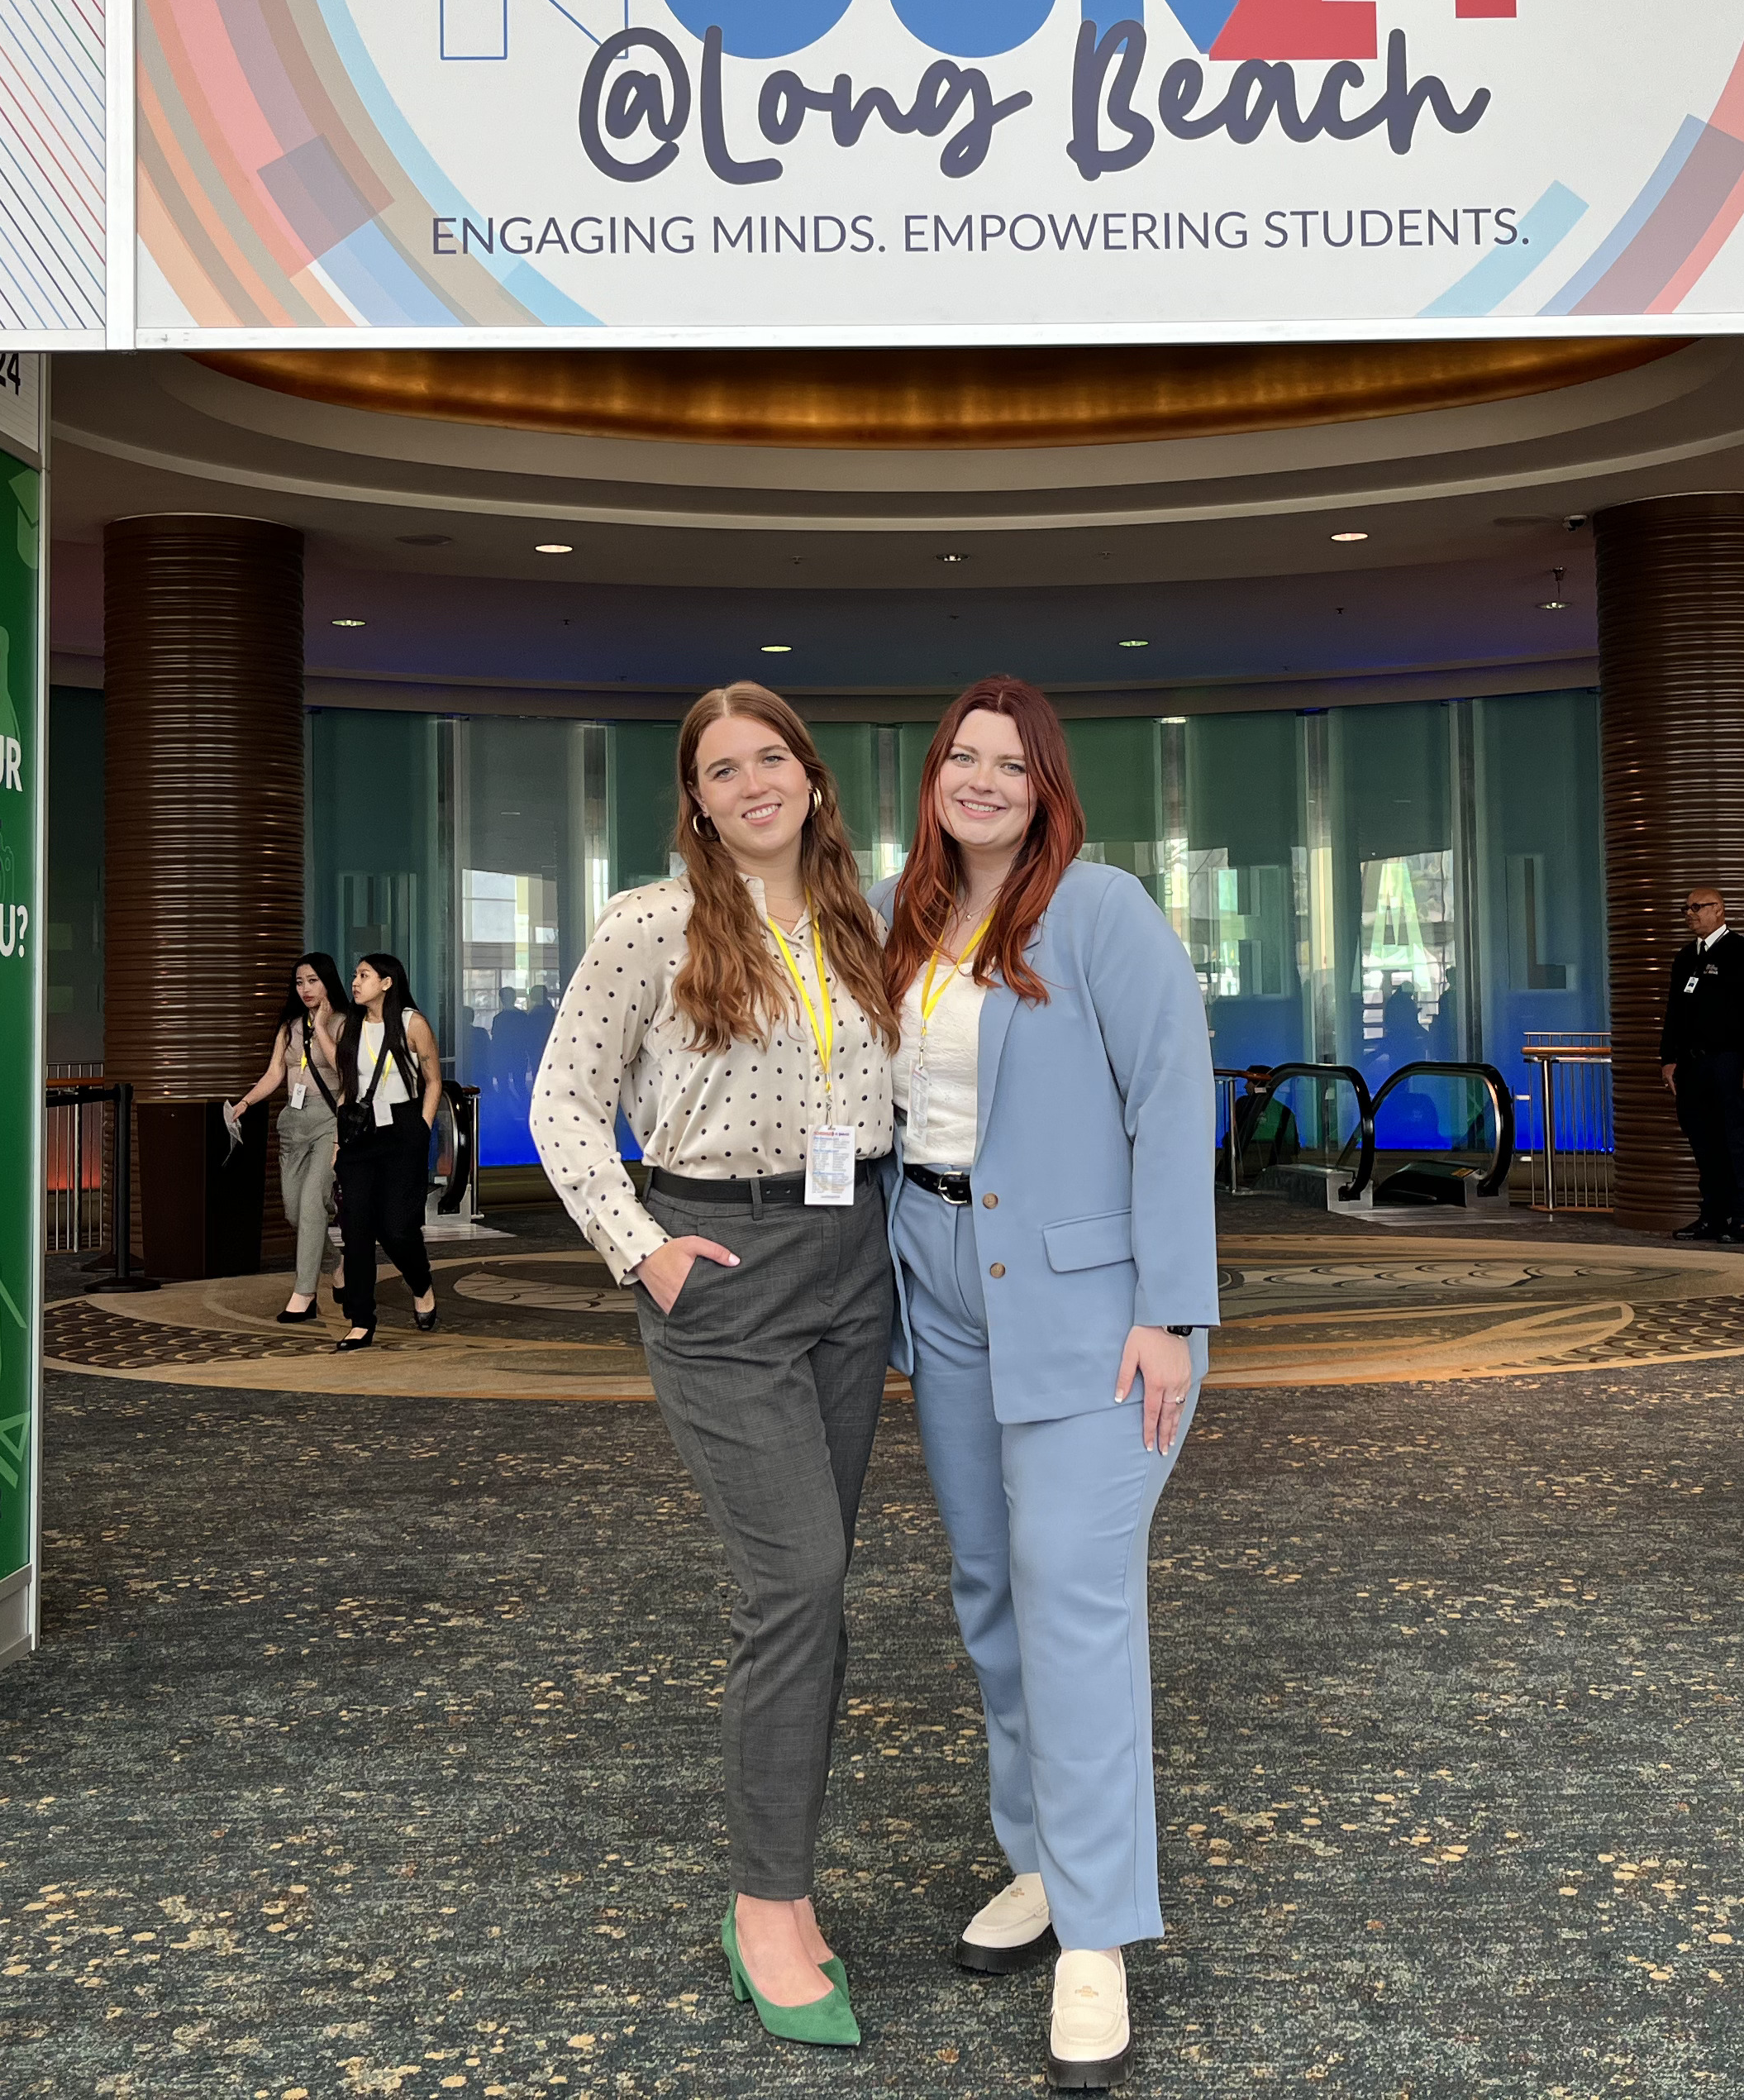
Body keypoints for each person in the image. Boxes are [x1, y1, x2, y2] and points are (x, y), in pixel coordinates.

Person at [529, 681, 900, 2050]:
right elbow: (560, 1099)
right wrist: (644, 1247)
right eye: (721, 768)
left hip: (851, 1265)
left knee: (805, 1591)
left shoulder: (864, 914)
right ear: (695, 797)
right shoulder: (651, 922)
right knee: (797, 1575)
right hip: (721, 1266)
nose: (753, 783)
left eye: (772, 757)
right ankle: (766, 1902)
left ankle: (780, 1880)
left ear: (810, 771)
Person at [878, 675, 1215, 2095]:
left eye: (1007, 761)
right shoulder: (912, 916)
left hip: (1090, 1301)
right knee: (990, 1591)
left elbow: (1171, 1095)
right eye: (961, 754)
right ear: (934, 775)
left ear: (1046, 780)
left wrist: (1173, 1311)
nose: (980, 776)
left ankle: (1099, 1929)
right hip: (945, 1275)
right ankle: (1038, 1854)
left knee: (1070, 1600)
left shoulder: (1101, 909)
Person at [222, 950, 348, 1324]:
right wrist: (246, 1102)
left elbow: (346, 1071)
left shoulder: (344, 1023)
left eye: (313, 981)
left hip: (330, 1122)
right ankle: (339, 1263)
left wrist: (322, 1026)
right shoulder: (290, 1025)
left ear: (328, 981)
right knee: (296, 1211)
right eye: (299, 982)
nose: (306, 989)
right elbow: (275, 1073)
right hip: (293, 1123)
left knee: (313, 1204)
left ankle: (303, 1293)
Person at [332, 951, 446, 1349]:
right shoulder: (350, 1025)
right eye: (354, 975)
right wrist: (337, 1140)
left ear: (387, 982)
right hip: (359, 1132)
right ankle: (361, 1319)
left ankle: (421, 1282)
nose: (356, 982)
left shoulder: (412, 1023)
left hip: (402, 1129)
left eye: (364, 975)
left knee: (397, 1227)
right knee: (356, 1229)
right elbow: (348, 1085)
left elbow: (433, 1081)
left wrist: (421, 1128)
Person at [1658, 884, 1744, 1241]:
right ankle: (1712, 1215)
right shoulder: (1685, 958)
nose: (1690, 914)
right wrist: (1668, 1059)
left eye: (1697, 907)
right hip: (1693, 1067)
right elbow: (1673, 1014)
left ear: (1719, 910)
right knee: (1705, 1142)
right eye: (1686, 909)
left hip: (1731, 1061)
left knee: (1739, 1140)